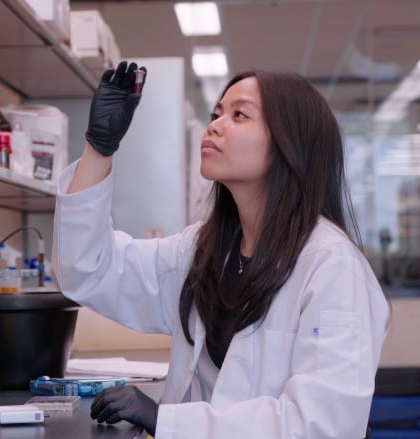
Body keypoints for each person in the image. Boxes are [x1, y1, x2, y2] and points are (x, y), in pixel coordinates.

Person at [52, 61, 390, 438]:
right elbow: (88, 269)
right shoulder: (202, 252)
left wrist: (165, 420)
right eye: (216, 113)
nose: (214, 125)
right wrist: (99, 148)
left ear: (288, 143)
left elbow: (322, 425)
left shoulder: (333, 267)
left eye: (239, 115)